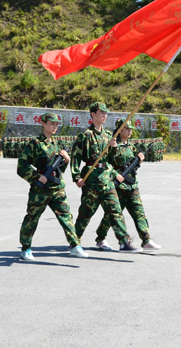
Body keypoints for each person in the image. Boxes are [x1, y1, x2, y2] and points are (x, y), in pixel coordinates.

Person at [71, 102, 142, 253]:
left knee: (115, 209)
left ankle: (124, 242)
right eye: (101, 112)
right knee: (86, 213)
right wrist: (76, 176)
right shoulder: (85, 136)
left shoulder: (109, 136)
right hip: (91, 178)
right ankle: (74, 240)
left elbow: (113, 159)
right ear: (93, 114)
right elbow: (75, 157)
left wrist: (114, 148)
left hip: (106, 177)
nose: (104, 115)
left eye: (106, 113)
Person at [17, 112, 87, 261]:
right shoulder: (34, 144)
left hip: (56, 187)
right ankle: (25, 248)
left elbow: (60, 169)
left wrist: (66, 160)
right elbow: (21, 166)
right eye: (51, 124)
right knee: (32, 218)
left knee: (66, 216)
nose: (55, 126)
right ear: (43, 123)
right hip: (40, 188)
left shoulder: (57, 144)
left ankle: (75, 246)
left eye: (56, 124)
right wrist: (37, 176)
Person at [95, 119, 161, 251]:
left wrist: (139, 160)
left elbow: (134, 165)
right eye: (126, 129)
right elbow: (105, 164)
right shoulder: (113, 146)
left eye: (131, 129)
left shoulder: (132, 146)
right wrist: (114, 174)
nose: (130, 131)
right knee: (112, 215)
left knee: (139, 213)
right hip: (118, 187)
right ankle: (101, 238)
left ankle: (146, 239)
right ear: (120, 130)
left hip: (132, 186)